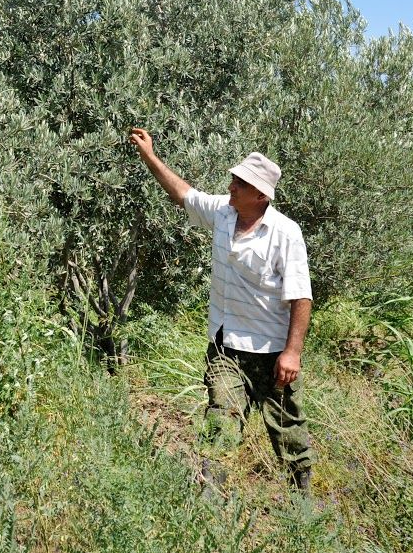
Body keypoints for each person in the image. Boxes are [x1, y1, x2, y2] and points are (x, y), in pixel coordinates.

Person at [129, 128, 314, 493]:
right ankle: (209, 503)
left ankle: (302, 506)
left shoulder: (285, 233)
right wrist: (149, 156)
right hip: (225, 346)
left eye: (240, 184)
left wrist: (292, 352)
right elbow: (183, 194)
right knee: (220, 423)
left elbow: (301, 297)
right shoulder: (224, 213)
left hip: (272, 352)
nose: (231, 187)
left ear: (261, 195)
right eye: (233, 179)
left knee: (289, 432)